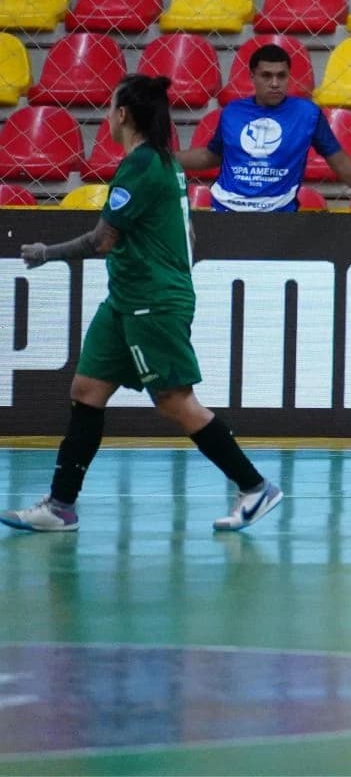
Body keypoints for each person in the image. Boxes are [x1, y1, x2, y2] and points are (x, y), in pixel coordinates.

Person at [3, 76, 283, 533]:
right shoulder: (164, 162)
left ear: (122, 115)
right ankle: (60, 507)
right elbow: (181, 232)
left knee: (175, 402)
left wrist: (46, 254)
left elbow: (101, 240)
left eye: (111, 105)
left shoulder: (140, 167)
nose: (106, 114)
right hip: (125, 300)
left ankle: (254, 487)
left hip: (152, 303)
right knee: (86, 392)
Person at [178, 43, 351, 213]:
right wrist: (161, 156)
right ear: (252, 77)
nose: (275, 83)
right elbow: (211, 156)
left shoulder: (307, 114)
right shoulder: (232, 112)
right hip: (225, 211)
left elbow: (340, 162)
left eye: (281, 76)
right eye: (266, 76)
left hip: (278, 217)